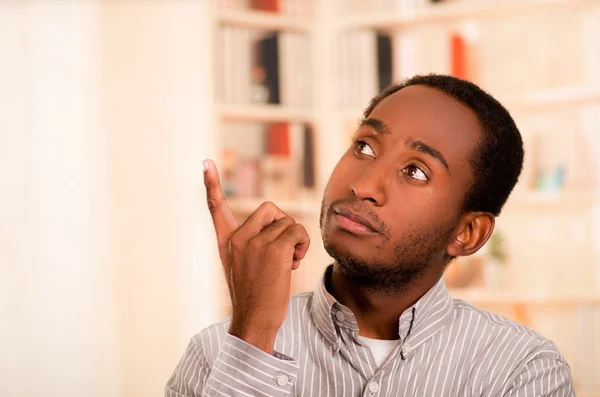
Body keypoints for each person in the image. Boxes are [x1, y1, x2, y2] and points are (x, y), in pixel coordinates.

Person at [166, 74, 574, 396]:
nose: (364, 186)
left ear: (468, 232)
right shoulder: (216, 353)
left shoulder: (521, 371)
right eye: (364, 146)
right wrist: (253, 341)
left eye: (415, 171)